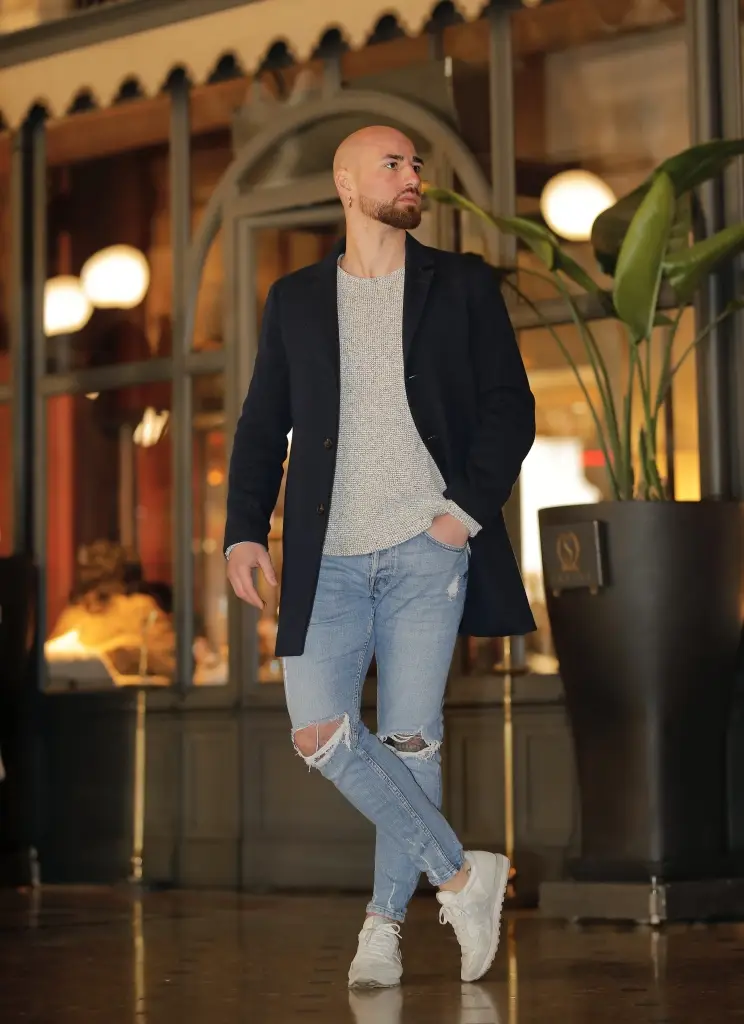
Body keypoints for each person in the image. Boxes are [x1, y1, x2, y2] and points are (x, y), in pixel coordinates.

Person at [224, 125, 535, 988]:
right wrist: (243, 528)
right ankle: (463, 877)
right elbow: (262, 425)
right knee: (318, 733)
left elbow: (511, 408)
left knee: (409, 740)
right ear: (346, 182)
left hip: (425, 549)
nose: (412, 176)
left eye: (416, 165)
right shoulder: (294, 299)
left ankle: (383, 927)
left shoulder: (461, 285)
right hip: (323, 558)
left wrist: (460, 515)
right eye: (392, 164)